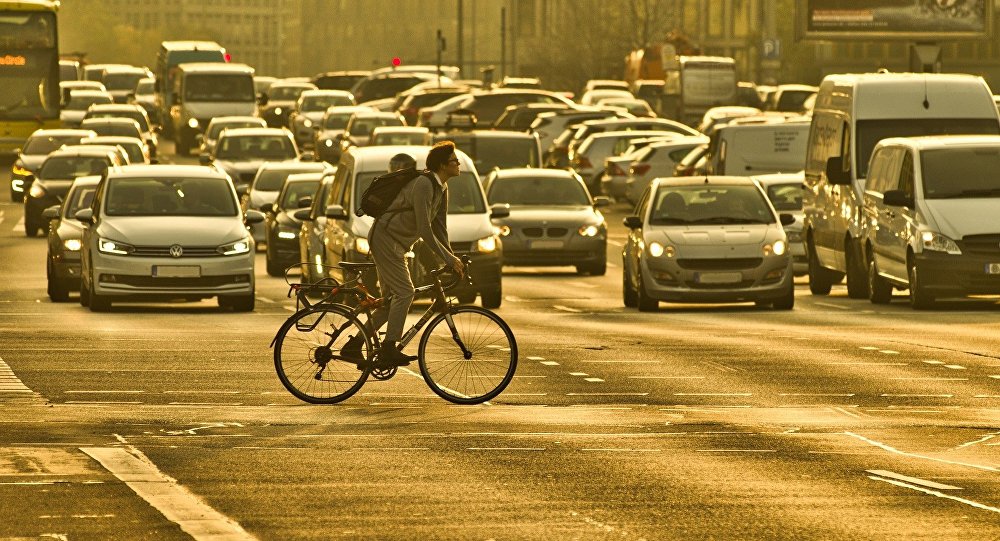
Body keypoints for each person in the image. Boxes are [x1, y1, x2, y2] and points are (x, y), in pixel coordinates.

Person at [343, 144, 464, 367]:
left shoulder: (442, 188)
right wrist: (447, 259)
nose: (459, 164)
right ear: (442, 165)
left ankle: (353, 345)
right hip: (385, 239)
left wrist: (452, 258)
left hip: (397, 244)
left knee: (390, 303)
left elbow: (440, 228)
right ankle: (389, 348)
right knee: (405, 292)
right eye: (454, 160)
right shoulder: (424, 185)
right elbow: (424, 230)